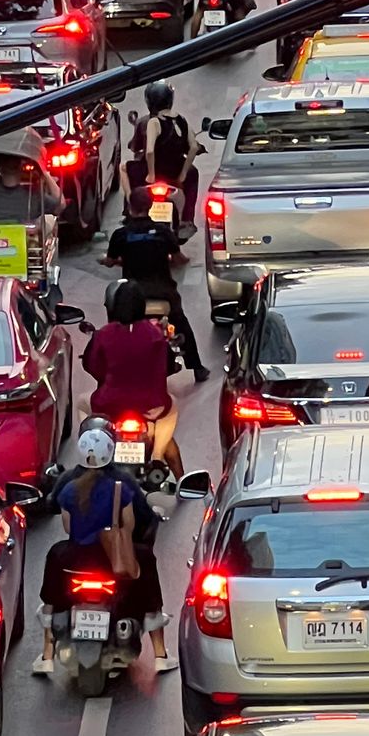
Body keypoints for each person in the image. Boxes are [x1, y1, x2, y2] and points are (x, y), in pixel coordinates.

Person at [31, 421, 173, 677]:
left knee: (53, 559)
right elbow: (130, 524)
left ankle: (47, 654)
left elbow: (67, 526)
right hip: (112, 560)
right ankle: (160, 653)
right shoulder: (122, 484)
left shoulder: (69, 485)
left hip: (76, 561)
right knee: (146, 560)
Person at [81, 279, 184, 469]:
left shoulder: (103, 334)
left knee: (81, 403)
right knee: (173, 406)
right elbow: (166, 367)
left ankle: (92, 448)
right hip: (151, 405)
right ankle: (157, 457)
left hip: (109, 405)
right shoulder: (155, 334)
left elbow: (92, 366)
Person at [103, 194, 206, 380]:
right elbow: (178, 259)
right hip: (163, 291)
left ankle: (113, 366)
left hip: (132, 294)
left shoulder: (121, 235)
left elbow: (110, 261)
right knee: (180, 322)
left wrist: (115, 261)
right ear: (150, 207)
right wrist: (185, 260)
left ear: (130, 208)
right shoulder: (163, 232)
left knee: (116, 324)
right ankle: (197, 367)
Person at [129, 80, 204, 228]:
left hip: (152, 171)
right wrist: (183, 174)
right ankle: (187, 219)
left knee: (126, 169)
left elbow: (146, 150)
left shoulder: (149, 122)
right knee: (193, 173)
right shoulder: (181, 120)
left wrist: (151, 174)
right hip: (175, 171)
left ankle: (131, 210)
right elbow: (194, 147)